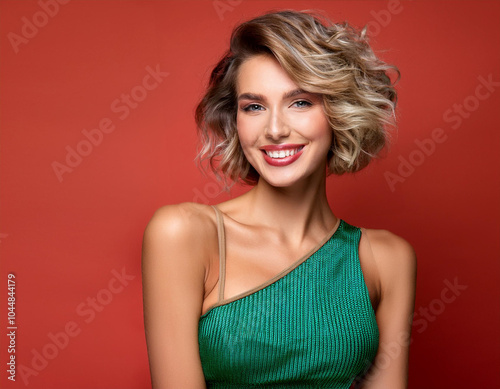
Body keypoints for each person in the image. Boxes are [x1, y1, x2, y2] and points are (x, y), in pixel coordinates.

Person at [142, 9, 417, 389]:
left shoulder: (386, 258)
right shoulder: (185, 234)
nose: (274, 129)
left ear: (338, 112)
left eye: (300, 102)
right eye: (254, 107)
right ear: (235, 122)